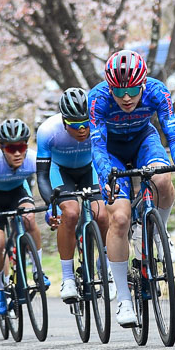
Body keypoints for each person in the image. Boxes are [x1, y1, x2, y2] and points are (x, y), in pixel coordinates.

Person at [89, 49, 175, 328]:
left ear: (144, 84)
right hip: (110, 152)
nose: (126, 97)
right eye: (119, 90)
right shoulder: (98, 99)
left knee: (162, 179)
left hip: (143, 141)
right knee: (121, 218)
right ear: (110, 87)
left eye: (133, 89)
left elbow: (173, 135)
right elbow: (98, 147)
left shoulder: (158, 92)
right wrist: (106, 177)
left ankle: (159, 234)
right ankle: (124, 298)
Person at [35, 88, 110, 303]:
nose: (82, 130)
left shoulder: (99, 121)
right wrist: (52, 206)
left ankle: (104, 265)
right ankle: (67, 277)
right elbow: (41, 175)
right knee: (70, 213)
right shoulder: (48, 131)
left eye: (86, 123)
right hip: (60, 172)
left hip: (90, 168)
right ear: (64, 121)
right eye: (76, 125)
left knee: (102, 215)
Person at [0, 119, 41, 316]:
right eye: (12, 148)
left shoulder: (33, 159)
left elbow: (49, 181)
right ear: (2, 148)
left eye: (21, 147)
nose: (18, 153)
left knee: (29, 218)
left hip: (17, 194)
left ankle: (38, 269)